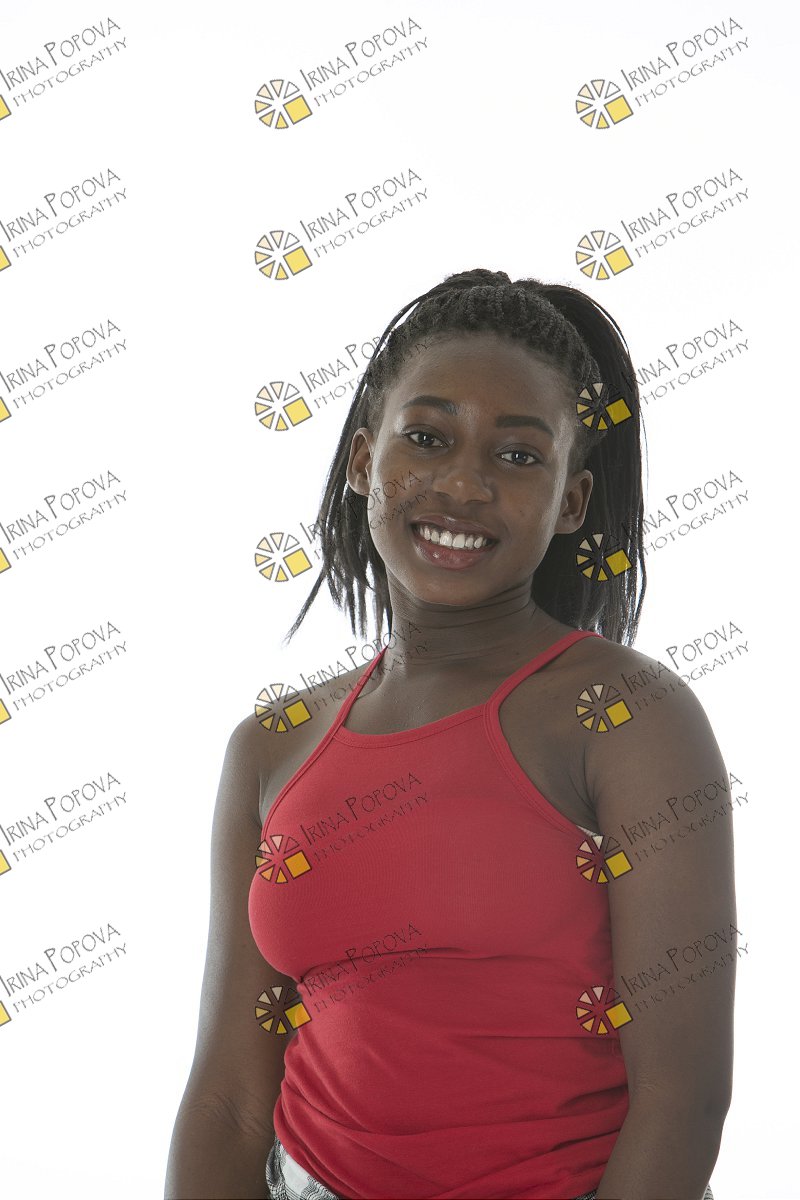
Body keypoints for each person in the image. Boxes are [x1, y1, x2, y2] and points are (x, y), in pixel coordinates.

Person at [165, 270, 734, 1200]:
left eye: (518, 456)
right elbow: (228, 1101)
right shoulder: (273, 745)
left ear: (572, 501)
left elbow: (682, 1102)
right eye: (427, 439)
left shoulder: (627, 717)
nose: (464, 484)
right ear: (364, 461)